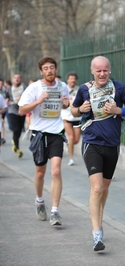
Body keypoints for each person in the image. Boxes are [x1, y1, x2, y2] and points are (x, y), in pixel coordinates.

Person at [71, 56, 125, 252]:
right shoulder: (84, 89)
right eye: (98, 70)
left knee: (104, 187)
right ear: (92, 71)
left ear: (110, 70)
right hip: (92, 143)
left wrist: (120, 110)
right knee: (96, 188)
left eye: (105, 70)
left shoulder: (120, 88)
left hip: (112, 145)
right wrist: (80, 109)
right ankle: (96, 234)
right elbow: (73, 110)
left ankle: (98, 220)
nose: (102, 74)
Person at [18, 57, 70, 227]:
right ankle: (40, 201)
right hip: (39, 134)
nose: (49, 71)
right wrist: (39, 101)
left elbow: (65, 104)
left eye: (52, 67)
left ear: (56, 69)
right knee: (40, 172)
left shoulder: (62, 87)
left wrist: (65, 103)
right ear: (41, 71)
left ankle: (55, 211)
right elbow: (21, 110)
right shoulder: (35, 88)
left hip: (56, 133)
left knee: (56, 171)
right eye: (46, 68)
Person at [61, 72, 81, 166]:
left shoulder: (79, 89)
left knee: (76, 140)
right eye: (71, 78)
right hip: (66, 116)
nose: (72, 80)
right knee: (71, 138)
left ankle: (68, 145)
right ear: (67, 80)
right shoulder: (63, 90)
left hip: (77, 117)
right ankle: (71, 158)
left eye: (74, 78)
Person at [7, 74, 26, 158]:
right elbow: (6, 97)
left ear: (21, 79)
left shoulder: (25, 87)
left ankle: (14, 141)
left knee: (20, 129)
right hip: (12, 110)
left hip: (22, 110)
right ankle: (17, 148)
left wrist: (22, 98)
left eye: (18, 78)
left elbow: (29, 97)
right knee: (16, 129)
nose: (17, 79)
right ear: (12, 80)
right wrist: (6, 100)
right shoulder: (9, 88)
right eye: (15, 78)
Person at [0, 78, 9, 144]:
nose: (0, 85)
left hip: (2, 109)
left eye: (1, 84)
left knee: (2, 123)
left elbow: (8, 97)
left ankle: (2, 137)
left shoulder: (5, 90)